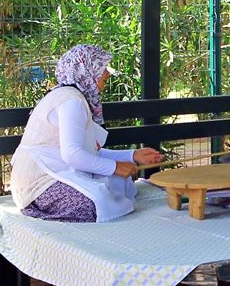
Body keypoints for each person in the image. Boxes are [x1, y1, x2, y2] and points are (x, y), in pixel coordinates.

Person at [10, 45, 163, 222]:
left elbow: (88, 153)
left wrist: (132, 155)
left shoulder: (71, 96)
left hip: (55, 172)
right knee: (95, 203)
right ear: (87, 70)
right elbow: (73, 155)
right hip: (40, 186)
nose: (107, 73)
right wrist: (115, 167)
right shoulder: (71, 101)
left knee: (120, 182)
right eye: (103, 67)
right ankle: (40, 209)